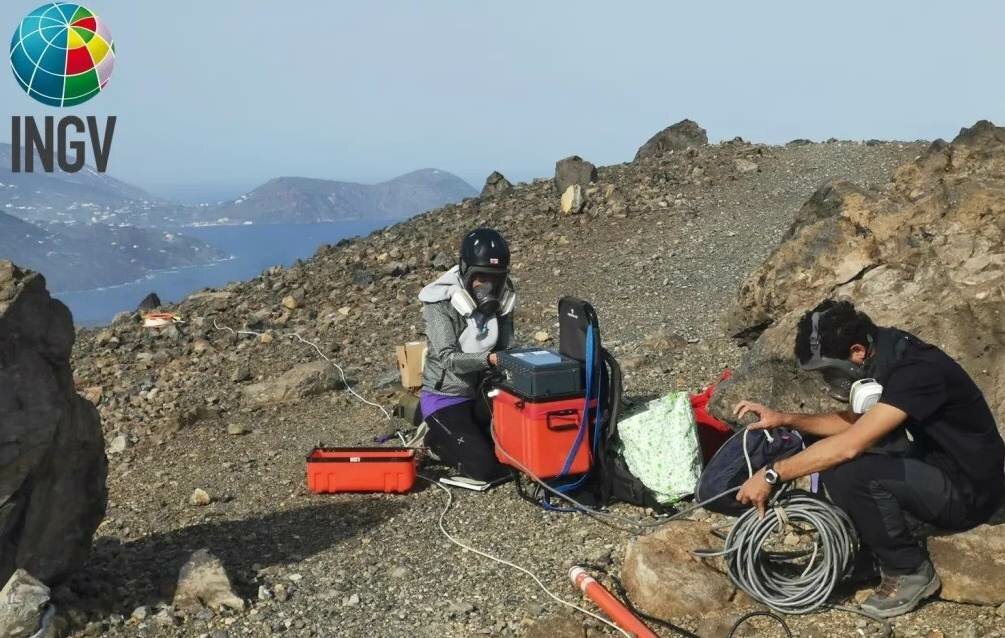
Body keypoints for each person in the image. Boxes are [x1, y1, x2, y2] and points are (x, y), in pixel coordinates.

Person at [733, 299, 1005, 619]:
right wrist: (786, 419)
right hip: (939, 464)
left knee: (849, 472)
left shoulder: (916, 371)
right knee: (836, 462)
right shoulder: (886, 350)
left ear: (858, 351)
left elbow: (849, 444)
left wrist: (771, 474)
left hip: (971, 489)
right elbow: (854, 422)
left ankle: (908, 571)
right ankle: (876, 545)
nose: (829, 381)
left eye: (830, 371)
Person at [416, 228, 516, 482]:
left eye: (494, 279)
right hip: (445, 398)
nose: (487, 287)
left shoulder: (503, 299)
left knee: (517, 451)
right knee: (483, 468)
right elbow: (448, 358)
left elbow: (506, 346)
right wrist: (488, 360)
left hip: (482, 392)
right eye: (480, 277)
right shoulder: (439, 304)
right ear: (465, 271)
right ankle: (434, 440)